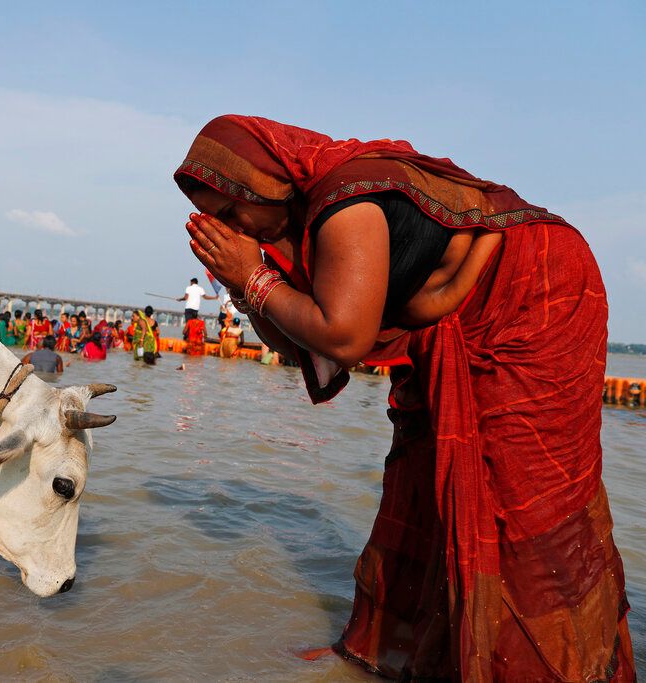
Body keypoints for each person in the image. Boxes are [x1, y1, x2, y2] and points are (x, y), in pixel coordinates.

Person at [175, 115, 634, 680]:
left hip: (535, 294)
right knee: (421, 469)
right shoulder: (294, 234)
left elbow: (343, 335)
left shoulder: (347, 203)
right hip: (453, 325)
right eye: (215, 223)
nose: (232, 230)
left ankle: (544, 664)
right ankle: (396, 653)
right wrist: (250, 286)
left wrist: (251, 279)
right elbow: (309, 350)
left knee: (518, 487)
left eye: (230, 213)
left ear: (264, 184)